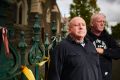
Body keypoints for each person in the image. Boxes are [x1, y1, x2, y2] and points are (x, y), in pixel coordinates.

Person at [87, 13, 120, 80]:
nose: (102, 24)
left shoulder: (108, 38)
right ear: (92, 23)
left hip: (105, 76)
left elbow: (118, 53)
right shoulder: (85, 37)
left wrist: (103, 51)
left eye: (103, 22)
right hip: (89, 75)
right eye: (99, 21)